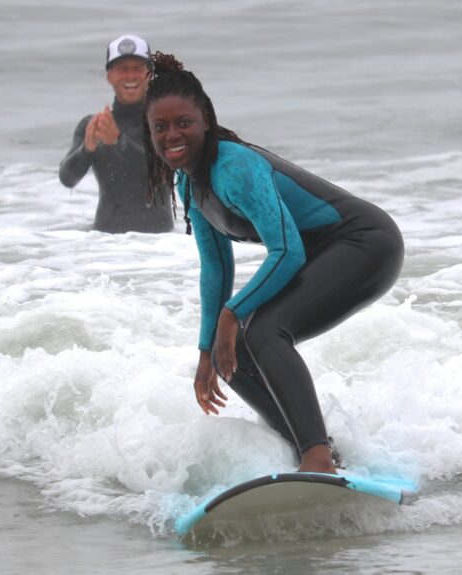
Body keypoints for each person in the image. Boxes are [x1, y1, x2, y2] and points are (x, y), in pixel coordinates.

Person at [142, 53, 404, 475]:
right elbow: (216, 271)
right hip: (324, 251)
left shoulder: (235, 167)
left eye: (183, 123)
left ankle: (316, 459)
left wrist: (233, 314)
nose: (173, 134)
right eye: (160, 127)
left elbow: (287, 251)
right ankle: (315, 449)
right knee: (234, 356)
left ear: (206, 119)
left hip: (365, 243)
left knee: (262, 332)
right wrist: (207, 351)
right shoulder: (189, 185)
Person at [58, 34, 173, 233]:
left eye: (138, 68)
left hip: (159, 249)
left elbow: (163, 172)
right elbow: (67, 179)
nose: (130, 76)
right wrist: (87, 149)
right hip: (105, 248)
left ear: (150, 74)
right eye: (122, 69)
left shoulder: (165, 122)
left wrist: (118, 141)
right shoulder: (93, 126)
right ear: (109, 76)